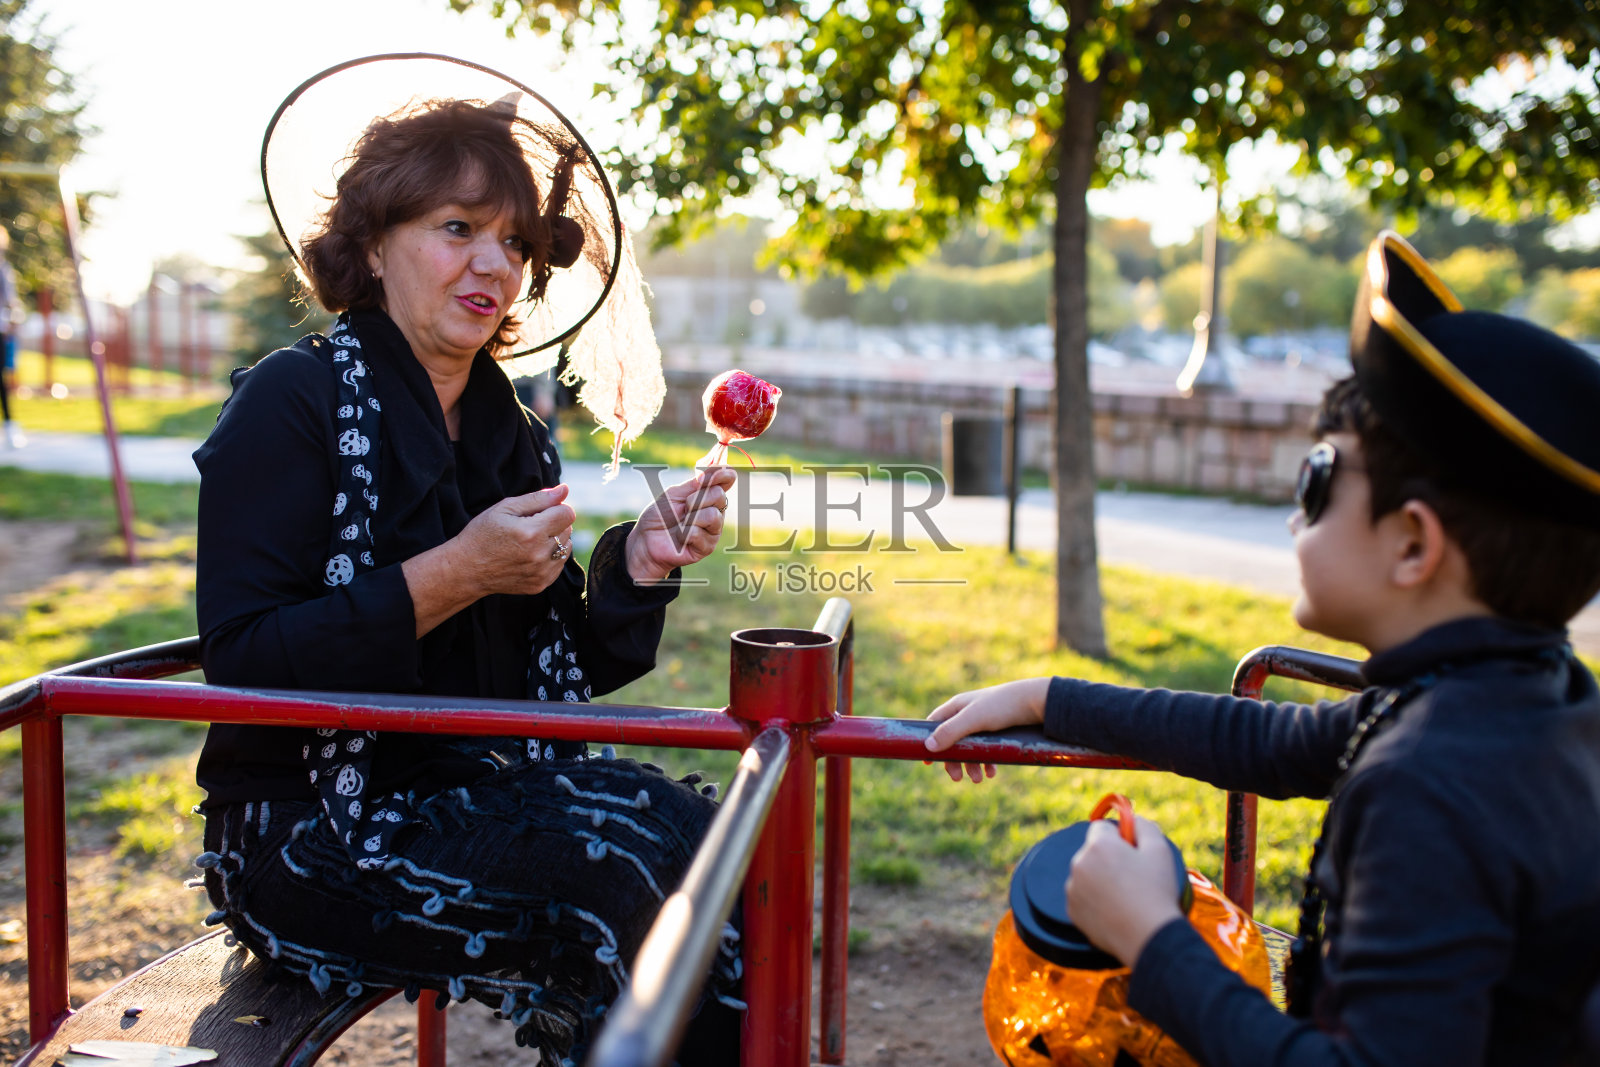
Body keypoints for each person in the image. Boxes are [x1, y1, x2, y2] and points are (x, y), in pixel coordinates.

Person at [924, 231, 1600, 1066]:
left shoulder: (1429, 785)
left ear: (1413, 548)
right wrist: (1045, 697)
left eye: (1317, 482)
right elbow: (1267, 741)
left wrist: (1150, 936)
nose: (1293, 519)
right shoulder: (1526, 694)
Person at [194, 64, 741, 1066]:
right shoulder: (292, 401)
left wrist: (641, 564)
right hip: (305, 832)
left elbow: (546, 664)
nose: (493, 263)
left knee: (712, 844)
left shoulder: (511, 430)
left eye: (516, 243)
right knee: (617, 866)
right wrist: (456, 568)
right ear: (372, 243)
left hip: (470, 790)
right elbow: (239, 659)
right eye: (457, 228)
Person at [0, 226, 23, 448]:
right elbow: (10, 301)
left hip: (1, 330)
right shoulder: (3, 269)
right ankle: (9, 428)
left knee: (2, 382)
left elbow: (11, 301)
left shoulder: (4, 269)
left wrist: (13, 319)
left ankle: (10, 428)